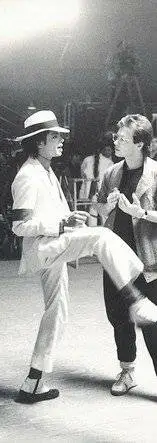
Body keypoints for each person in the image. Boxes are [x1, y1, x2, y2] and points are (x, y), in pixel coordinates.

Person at [10, 110, 157, 404]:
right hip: (45, 248)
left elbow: (52, 213)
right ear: (39, 142)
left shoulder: (46, 170)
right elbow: (19, 225)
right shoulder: (28, 175)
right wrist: (62, 224)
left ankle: (33, 383)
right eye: (55, 136)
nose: (62, 140)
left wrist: (69, 219)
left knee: (57, 312)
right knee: (101, 237)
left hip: (136, 254)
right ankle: (136, 300)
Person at [96, 114, 157, 396]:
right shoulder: (111, 173)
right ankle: (127, 371)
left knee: (152, 323)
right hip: (115, 259)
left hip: (148, 260)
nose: (116, 142)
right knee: (118, 316)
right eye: (116, 137)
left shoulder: (155, 174)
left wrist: (140, 213)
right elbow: (99, 209)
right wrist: (107, 207)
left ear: (140, 144)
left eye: (122, 138)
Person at [79, 132, 115, 225]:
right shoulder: (109, 163)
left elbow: (82, 174)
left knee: (91, 213)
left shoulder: (87, 160)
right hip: (99, 193)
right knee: (103, 215)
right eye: (107, 150)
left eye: (110, 150)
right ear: (102, 150)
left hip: (89, 193)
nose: (109, 152)